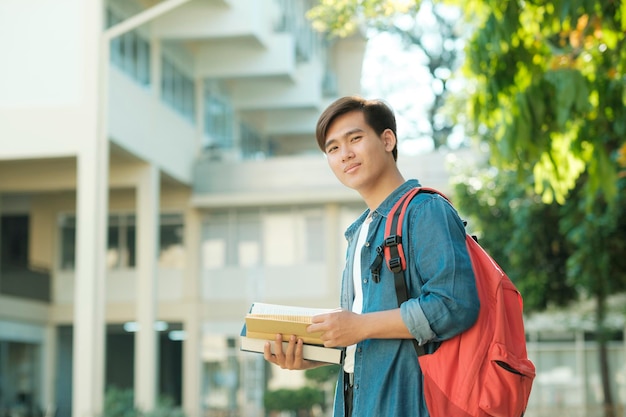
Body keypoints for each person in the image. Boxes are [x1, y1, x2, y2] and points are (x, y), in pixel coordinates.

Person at [263, 96, 480, 417]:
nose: (345, 154)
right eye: (333, 148)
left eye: (355, 139)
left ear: (387, 139)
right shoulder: (360, 233)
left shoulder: (425, 210)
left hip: (410, 402)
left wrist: (361, 326)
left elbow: (454, 304)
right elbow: (369, 338)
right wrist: (314, 355)